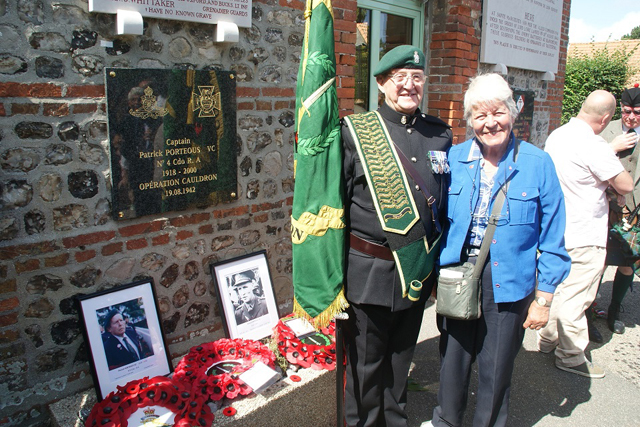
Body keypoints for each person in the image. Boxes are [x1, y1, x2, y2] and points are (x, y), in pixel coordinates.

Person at [427, 73, 570, 427]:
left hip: (508, 280)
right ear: (470, 120)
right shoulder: (452, 158)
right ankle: (447, 421)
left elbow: (553, 236)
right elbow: (435, 222)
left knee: (496, 369)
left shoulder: (538, 163)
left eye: (498, 112)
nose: (490, 122)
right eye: (480, 115)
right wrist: (430, 274)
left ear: (513, 112)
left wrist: (544, 297)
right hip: (458, 274)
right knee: (451, 364)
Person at [341, 45, 452, 427]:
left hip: (416, 271)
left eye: (417, 78)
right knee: (365, 369)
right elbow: (335, 208)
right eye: (400, 78)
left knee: (400, 363)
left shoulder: (440, 135)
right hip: (368, 272)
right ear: (382, 83)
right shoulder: (356, 133)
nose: (409, 85)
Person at [539, 90, 633, 378]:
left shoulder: (557, 135)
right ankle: (570, 356)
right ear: (606, 118)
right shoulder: (595, 144)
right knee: (577, 295)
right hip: (585, 231)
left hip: (557, 227)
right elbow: (626, 185)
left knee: (562, 288)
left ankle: (547, 339)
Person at [597, 85, 640, 335]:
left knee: (628, 262)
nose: (631, 117)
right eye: (626, 111)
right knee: (599, 261)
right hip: (607, 207)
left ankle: (615, 309)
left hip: (636, 212)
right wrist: (612, 146)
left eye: (636, 112)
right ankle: (589, 309)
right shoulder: (606, 131)